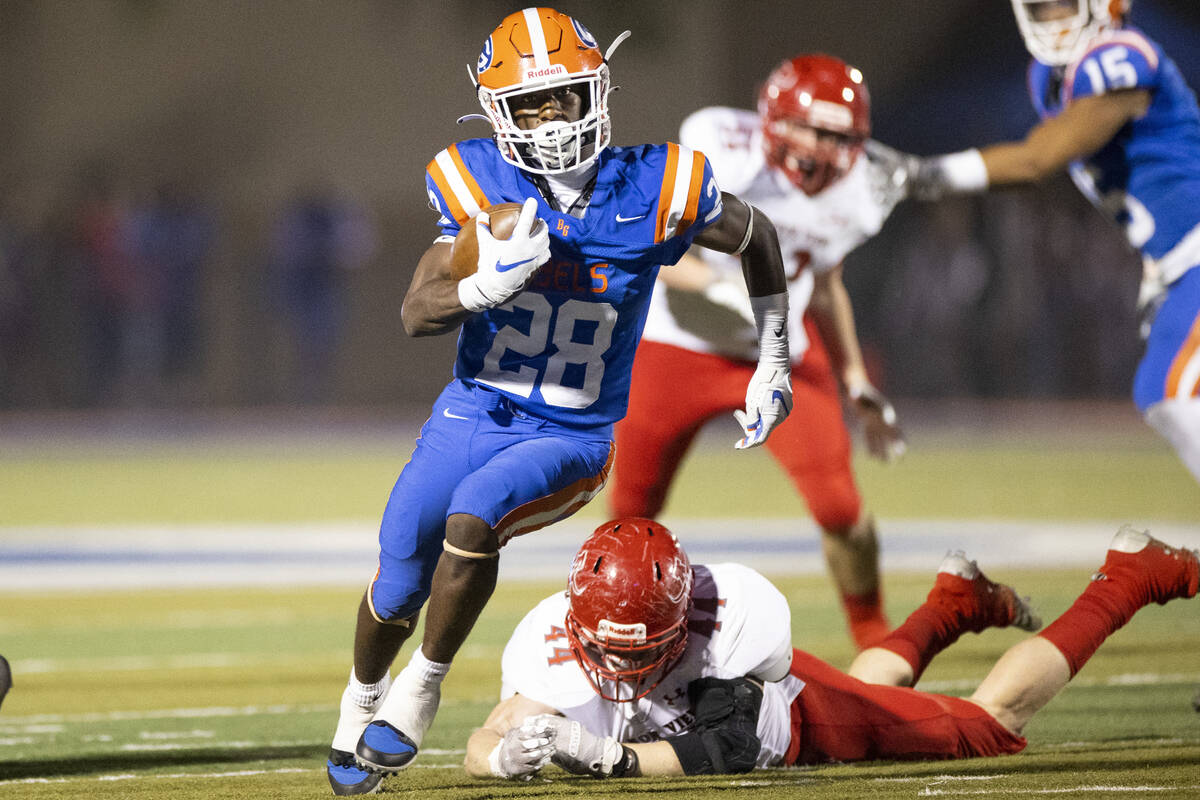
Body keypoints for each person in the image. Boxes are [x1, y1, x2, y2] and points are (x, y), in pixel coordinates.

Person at [324, 7, 796, 795]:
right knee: (401, 562)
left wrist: (772, 356)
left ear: (596, 95)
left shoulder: (657, 183)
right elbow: (415, 312)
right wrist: (481, 285)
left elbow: (757, 236)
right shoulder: (476, 181)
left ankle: (422, 688)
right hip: (477, 407)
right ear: (499, 114)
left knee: (475, 516)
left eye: (564, 98)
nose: (550, 122)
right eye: (530, 106)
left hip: (572, 429)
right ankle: (361, 696)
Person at [463, 517, 1197, 779]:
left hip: (807, 724)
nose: (620, 669)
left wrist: (608, 757)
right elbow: (488, 733)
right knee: (871, 688)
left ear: (682, 621)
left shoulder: (733, 617)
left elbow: (725, 747)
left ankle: (1129, 577)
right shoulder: (549, 637)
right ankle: (950, 604)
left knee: (991, 726)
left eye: (640, 650)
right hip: (803, 704)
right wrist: (501, 757)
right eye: (607, 650)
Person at [610, 54, 906, 650]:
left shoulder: (853, 194)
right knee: (628, 519)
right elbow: (645, 245)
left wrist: (854, 378)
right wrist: (719, 287)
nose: (827, 150)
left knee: (841, 509)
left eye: (842, 137)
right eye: (817, 131)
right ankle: (616, 634)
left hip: (778, 353)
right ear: (774, 120)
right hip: (679, 346)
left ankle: (875, 640)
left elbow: (826, 286)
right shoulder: (718, 148)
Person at [868, 0, 1200, 482]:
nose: (1050, 21)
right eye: (1040, 10)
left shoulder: (1121, 54)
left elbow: (1037, 160)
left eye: (1062, 7)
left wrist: (922, 175)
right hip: (1179, 260)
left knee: (1173, 388)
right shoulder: (1048, 80)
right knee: (1158, 389)